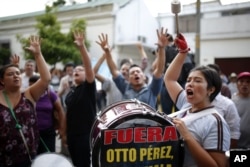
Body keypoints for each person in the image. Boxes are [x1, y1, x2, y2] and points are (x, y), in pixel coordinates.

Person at [164, 33, 230, 166]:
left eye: (197, 80)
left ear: (211, 89)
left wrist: (187, 136)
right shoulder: (186, 104)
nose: (189, 84)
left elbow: (218, 165)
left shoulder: (215, 122)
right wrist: (183, 53)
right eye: (188, 80)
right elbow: (170, 79)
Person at [0, 36, 51, 166]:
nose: (16, 75)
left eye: (17, 73)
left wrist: (38, 54)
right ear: (2, 80)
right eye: (10, 74)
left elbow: (45, 79)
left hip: (28, 157)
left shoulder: (28, 94)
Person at [96, 27, 168, 109]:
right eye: (132, 73)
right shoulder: (125, 87)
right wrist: (107, 52)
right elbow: (114, 70)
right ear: (128, 79)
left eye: (138, 71)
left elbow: (159, 70)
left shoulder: (152, 89)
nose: (135, 73)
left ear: (144, 77)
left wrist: (162, 48)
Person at [64, 30, 96, 167]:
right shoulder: (71, 92)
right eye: (75, 70)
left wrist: (81, 47)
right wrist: (65, 134)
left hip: (85, 135)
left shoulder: (88, 87)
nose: (76, 71)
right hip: (72, 136)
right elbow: (68, 114)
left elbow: (88, 66)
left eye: (80, 70)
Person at [29, 75, 66, 155]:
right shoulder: (27, 96)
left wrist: (62, 129)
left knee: (48, 157)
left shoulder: (50, 94)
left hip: (48, 133)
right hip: (30, 133)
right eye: (30, 85)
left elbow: (60, 110)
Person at [232, 71, 250, 149]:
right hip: (234, 144)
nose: (244, 84)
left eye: (248, 82)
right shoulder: (231, 101)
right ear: (237, 84)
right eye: (241, 81)